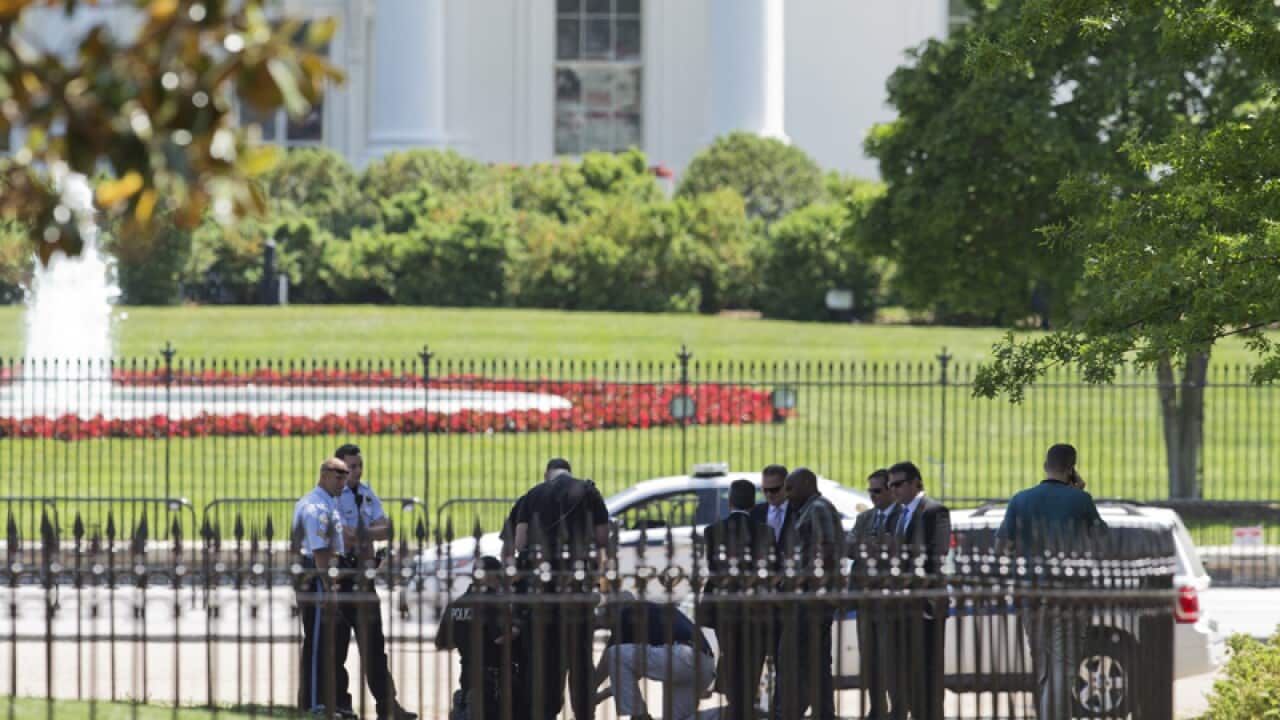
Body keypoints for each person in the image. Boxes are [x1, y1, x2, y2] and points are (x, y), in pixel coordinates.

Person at [996, 443, 1108, 719]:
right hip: (1069, 596)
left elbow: (1001, 547)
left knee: (1044, 668)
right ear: (1071, 469)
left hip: (1031, 595)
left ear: (1045, 465)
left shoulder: (1020, 500)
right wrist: (1078, 493)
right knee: (1064, 667)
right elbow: (1103, 541)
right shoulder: (1080, 500)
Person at [514, 462, 611, 720]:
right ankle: (584, 712)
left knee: (547, 660)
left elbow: (520, 543)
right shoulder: (589, 492)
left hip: (542, 592)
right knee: (580, 658)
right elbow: (603, 540)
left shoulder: (533, 495)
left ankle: (547, 712)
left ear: (547, 474)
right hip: (578, 591)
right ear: (569, 470)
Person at [332, 444, 416, 720]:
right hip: (341, 577)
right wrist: (367, 534)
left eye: (358, 466)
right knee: (337, 647)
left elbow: (387, 528)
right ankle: (339, 705)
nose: (356, 471)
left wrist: (363, 533)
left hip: (365, 577)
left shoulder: (366, 492)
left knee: (375, 648)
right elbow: (342, 536)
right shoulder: (331, 495)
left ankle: (387, 706)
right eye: (350, 467)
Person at [699, 479, 774, 720]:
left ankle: (735, 703)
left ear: (730, 502)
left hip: (724, 606)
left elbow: (713, 570)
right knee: (754, 656)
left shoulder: (713, 531)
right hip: (755, 606)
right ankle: (747, 702)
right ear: (753, 503)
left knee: (730, 654)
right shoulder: (765, 531)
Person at [774, 467, 840, 720]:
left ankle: (791, 711)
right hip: (808, 595)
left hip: (811, 598)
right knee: (816, 660)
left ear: (807, 484)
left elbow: (826, 548)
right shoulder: (807, 510)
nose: (786, 494)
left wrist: (801, 580)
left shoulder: (819, 508)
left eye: (790, 488)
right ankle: (823, 711)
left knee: (793, 656)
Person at [886, 461, 951, 720]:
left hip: (926, 605)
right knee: (905, 671)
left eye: (899, 484)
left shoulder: (934, 511)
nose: (894, 490)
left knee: (928, 671)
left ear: (916, 482)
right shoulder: (897, 515)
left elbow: (938, 553)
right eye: (890, 485)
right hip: (901, 606)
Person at [596, 594, 717, 720]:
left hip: (682, 657)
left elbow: (610, 659)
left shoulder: (627, 613)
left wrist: (589, 692)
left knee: (615, 654)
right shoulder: (652, 615)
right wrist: (600, 697)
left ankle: (639, 717)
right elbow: (627, 677)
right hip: (705, 665)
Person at [293, 458, 351, 717]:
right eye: (338, 476)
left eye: (345, 476)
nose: (343, 481)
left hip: (320, 573)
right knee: (316, 643)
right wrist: (329, 589)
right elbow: (320, 553)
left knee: (322, 641)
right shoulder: (316, 507)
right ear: (324, 475)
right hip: (316, 574)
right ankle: (314, 704)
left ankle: (319, 701)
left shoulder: (327, 502)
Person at [436, 556, 526, 720]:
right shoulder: (493, 603)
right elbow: (501, 638)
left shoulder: (456, 604)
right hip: (495, 682)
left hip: (468, 676)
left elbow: (443, 644)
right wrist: (518, 627)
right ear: (491, 576)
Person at [848, 469, 900, 720]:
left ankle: (898, 707)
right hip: (865, 599)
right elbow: (848, 546)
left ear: (891, 489)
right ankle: (876, 707)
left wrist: (875, 548)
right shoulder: (864, 519)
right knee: (869, 658)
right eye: (870, 491)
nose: (873, 496)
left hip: (890, 601)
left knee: (891, 659)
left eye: (877, 491)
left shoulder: (902, 516)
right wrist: (867, 548)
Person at [501, 458, 573, 562]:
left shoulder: (527, 499)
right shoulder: (579, 499)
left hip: (533, 563)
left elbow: (511, 543)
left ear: (546, 475)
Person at [749, 464, 791, 551]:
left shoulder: (799, 511)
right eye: (765, 490)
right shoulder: (755, 513)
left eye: (774, 490)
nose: (769, 494)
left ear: (786, 485)